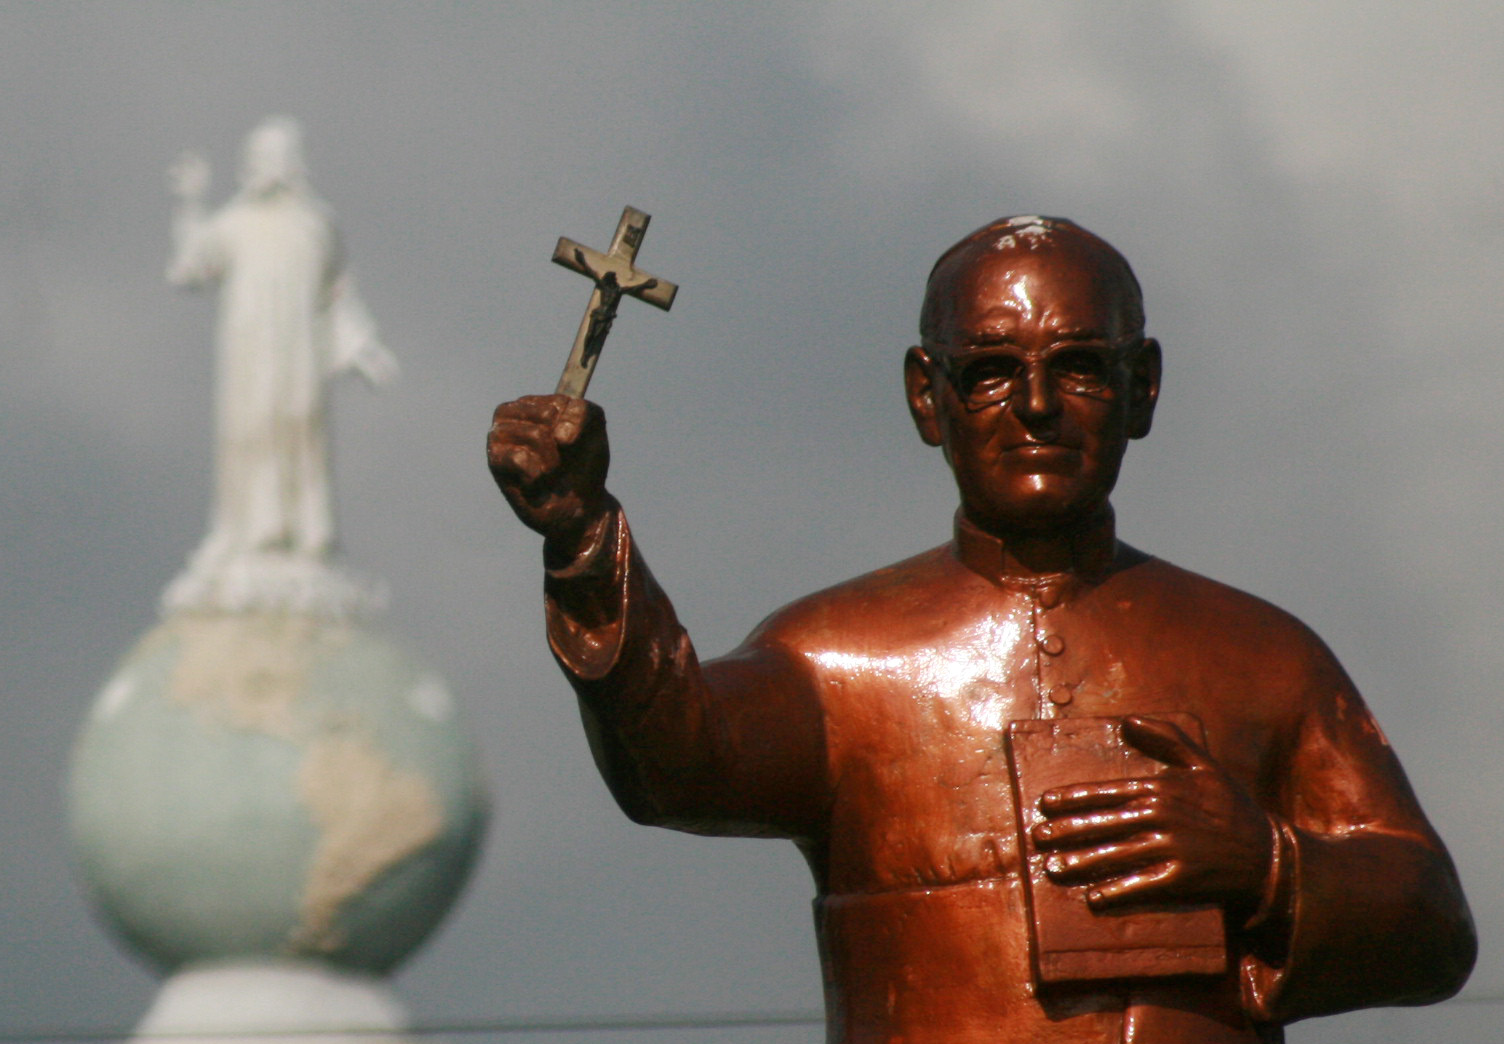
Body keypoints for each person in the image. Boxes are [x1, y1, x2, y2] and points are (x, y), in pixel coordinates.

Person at [487, 216, 1474, 1043]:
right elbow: (678, 759)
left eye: (1080, 367)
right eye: (991, 371)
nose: (1036, 405)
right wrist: (583, 540)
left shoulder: (1265, 658)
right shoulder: (839, 661)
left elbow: (1433, 923)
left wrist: (1269, 866)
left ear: (1143, 389)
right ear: (928, 396)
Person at [167, 116, 396, 582]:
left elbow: (337, 297)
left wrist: (364, 349)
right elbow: (189, 267)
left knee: (299, 428)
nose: (259, 166)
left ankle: (307, 533)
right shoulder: (236, 223)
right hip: (248, 351)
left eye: (269, 157)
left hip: (299, 354)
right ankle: (250, 531)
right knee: (250, 429)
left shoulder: (316, 225)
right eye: (254, 158)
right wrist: (191, 201)